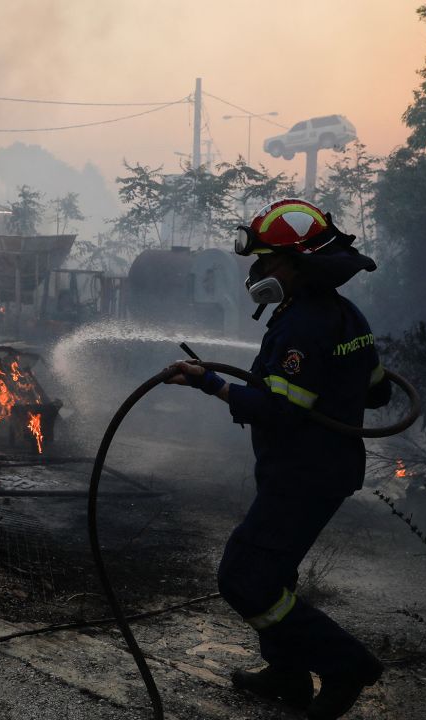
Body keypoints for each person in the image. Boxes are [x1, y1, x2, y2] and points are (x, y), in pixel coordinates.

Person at [166, 199, 391, 720]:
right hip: (316, 469)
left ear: (297, 264)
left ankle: (345, 666)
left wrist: (211, 384)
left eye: (266, 261)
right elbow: (377, 394)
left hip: (304, 473)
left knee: (244, 578)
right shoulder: (342, 314)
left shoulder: (303, 325)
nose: (258, 271)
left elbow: (279, 412)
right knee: (276, 572)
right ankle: (287, 675)